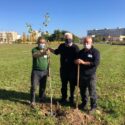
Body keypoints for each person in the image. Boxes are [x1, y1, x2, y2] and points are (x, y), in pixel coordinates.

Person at [49, 33, 79, 105]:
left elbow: (79, 57)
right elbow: (56, 52)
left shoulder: (75, 47)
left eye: (69, 38)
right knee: (64, 85)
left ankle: (71, 99)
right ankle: (64, 98)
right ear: (64, 39)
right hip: (63, 70)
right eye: (66, 38)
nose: (68, 40)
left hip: (72, 70)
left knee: (72, 85)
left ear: (72, 39)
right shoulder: (62, 46)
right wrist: (50, 49)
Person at [75, 36, 100, 112]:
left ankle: (93, 106)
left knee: (92, 91)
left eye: (87, 42)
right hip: (82, 75)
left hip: (91, 75)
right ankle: (84, 103)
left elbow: (95, 63)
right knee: (83, 91)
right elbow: (76, 60)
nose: (86, 44)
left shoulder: (95, 52)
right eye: (85, 42)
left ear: (91, 42)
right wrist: (76, 61)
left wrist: (83, 62)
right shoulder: (81, 52)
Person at [30, 37, 49, 108]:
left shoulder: (46, 51)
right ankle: (32, 101)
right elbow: (35, 55)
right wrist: (43, 52)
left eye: (43, 43)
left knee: (43, 87)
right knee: (34, 87)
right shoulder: (34, 49)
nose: (42, 44)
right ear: (38, 43)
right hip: (36, 72)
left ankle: (41, 98)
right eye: (40, 42)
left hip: (44, 72)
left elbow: (48, 62)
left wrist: (48, 71)